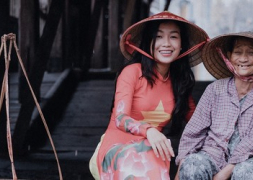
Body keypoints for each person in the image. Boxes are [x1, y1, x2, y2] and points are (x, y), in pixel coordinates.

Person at [88, 11, 209, 180]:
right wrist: (149, 130)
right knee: (149, 155)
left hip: (154, 152)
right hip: (117, 147)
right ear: (147, 42)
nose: (166, 44)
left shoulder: (180, 82)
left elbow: (199, 123)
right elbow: (119, 118)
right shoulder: (132, 72)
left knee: (157, 154)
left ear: (182, 44)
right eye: (158, 37)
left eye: (173, 37)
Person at [175, 31, 253, 180]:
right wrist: (182, 167)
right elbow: (194, 132)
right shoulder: (215, 89)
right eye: (238, 52)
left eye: (251, 53)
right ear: (229, 56)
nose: (243, 58)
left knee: (245, 173)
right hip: (212, 154)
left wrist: (225, 173)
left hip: (251, 159)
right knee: (192, 166)